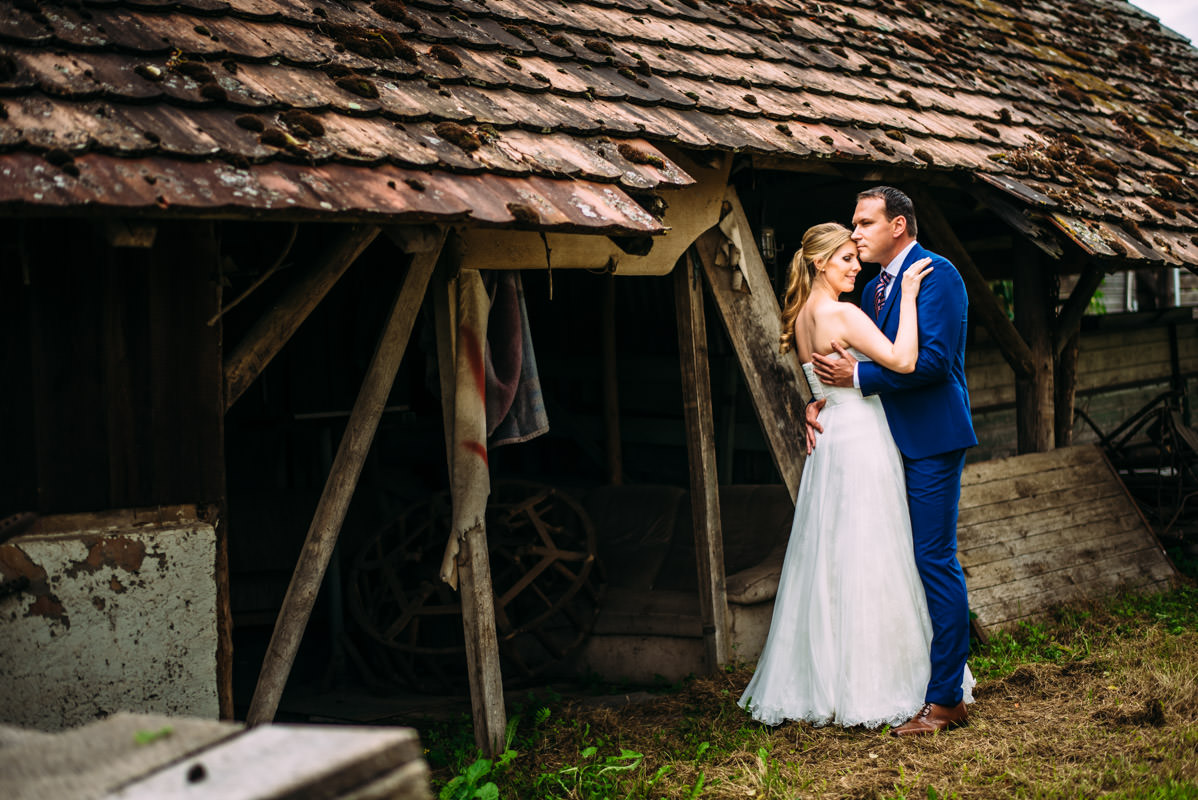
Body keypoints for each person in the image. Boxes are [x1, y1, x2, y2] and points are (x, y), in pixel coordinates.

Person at [738, 220, 969, 730]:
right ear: (820, 263)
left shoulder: (802, 316)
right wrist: (910, 296)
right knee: (875, 556)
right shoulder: (842, 313)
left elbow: (821, 387)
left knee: (831, 558)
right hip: (863, 440)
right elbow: (905, 359)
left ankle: (828, 683)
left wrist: (813, 403)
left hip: (831, 441)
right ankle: (882, 682)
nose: (856, 267)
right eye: (845, 258)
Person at [809, 186, 978, 736]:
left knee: (933, 559)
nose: (855, 233)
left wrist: (856, 378)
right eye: (854, 224)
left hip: (930, 439)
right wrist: (822, 400)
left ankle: (946, 700)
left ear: (898, 225)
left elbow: (933, 362)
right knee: (893, 562)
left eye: (864, 223)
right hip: (880, 443)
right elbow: (856, 355)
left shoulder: (937, 274)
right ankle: (899, 681)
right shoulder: (873, 288)